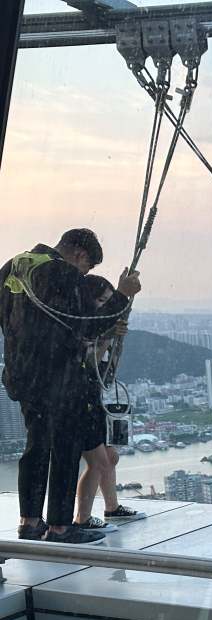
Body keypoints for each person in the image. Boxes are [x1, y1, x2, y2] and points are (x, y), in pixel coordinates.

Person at [0, 228, 140, 544]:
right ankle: (61, 526)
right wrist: (121, 295)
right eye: (86, 267)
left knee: (36, 447)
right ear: (79, 254)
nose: (84, 275)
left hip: (23, 374)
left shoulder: (13, 265)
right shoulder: (60, 272)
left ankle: (30, 522)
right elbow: (84, 325)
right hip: (59, 376)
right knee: (65, 449)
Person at [71, 300, 145, 534]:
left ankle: (112, 507)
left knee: (111, 457)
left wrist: (116, 340)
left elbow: (108, 372)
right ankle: (81, 519)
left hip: (97, 403)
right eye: (102, 300)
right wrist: (105, 338)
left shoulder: (104, 329)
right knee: (98, 463)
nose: (106, 304)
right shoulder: (83, 330)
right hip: (81, 405)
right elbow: (88, 368)